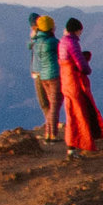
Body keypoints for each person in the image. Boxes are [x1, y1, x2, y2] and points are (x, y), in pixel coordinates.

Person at [57, 17, 103, 153]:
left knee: (71, 112)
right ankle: (76, 144)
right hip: (74, 82)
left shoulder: (62, 42)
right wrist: (87, 69)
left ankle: (72, 144)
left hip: (65, 81)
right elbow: (80, 64)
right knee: (79, 113)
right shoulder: (72, 42)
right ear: (77, 30)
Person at [27, 13, 61, 141]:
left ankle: (49, 132)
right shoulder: (53, 42)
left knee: (45, 104)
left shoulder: (36, 41)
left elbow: (29, 45)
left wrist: (34, 35)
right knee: (54, 104)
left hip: (37, 74)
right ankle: (52, 133)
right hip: (51, 75)